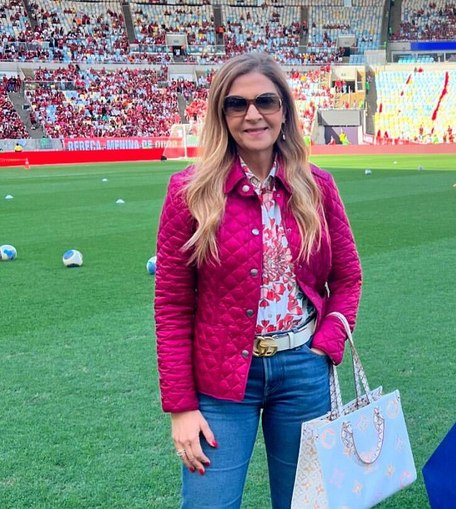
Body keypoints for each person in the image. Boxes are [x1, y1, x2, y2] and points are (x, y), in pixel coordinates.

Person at [154, 53, 362, 509]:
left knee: (305, 503)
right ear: (221, 114)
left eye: (265, 101)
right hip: (221, 379)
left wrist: (327, 344)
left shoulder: (317, 186)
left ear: (284, 109)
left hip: (304, 372)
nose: (252, 114)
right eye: (236, 104)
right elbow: (171, 306)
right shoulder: (188, 192)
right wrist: (181, 407)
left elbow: (347, 278)